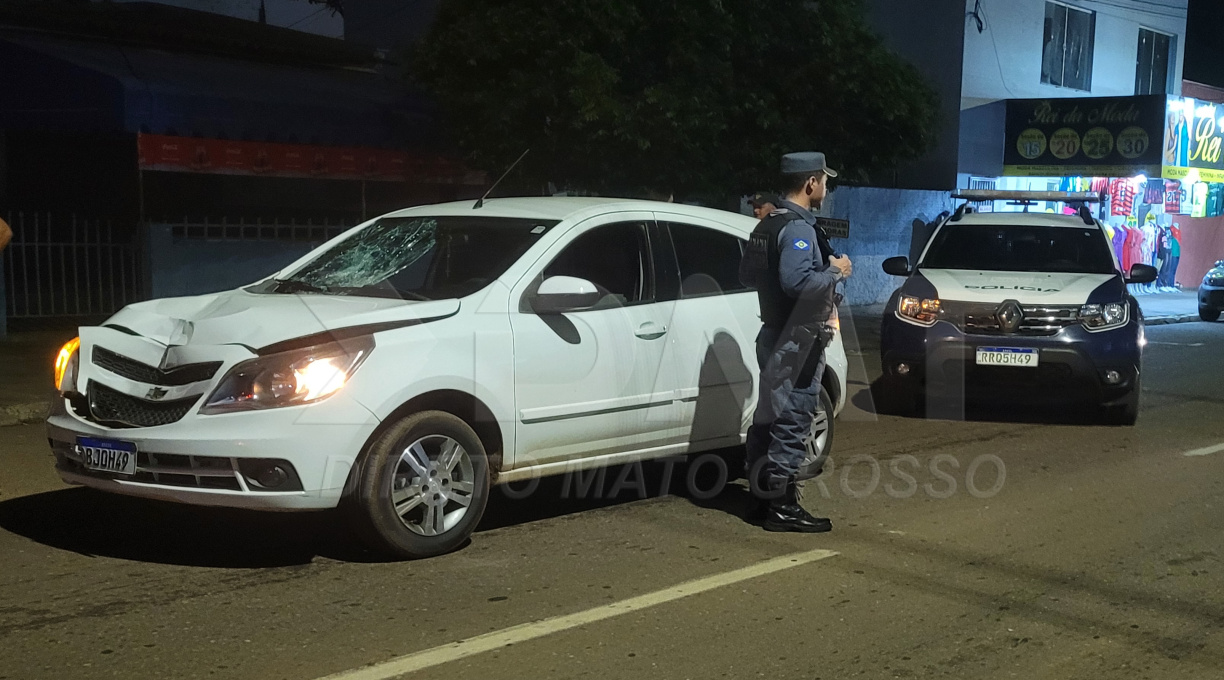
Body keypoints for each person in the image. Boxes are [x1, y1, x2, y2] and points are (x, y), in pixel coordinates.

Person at [739, 152, 852, 533]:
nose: (825, 188)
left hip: (772, 332)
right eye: (824, 181)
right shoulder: (799, 230)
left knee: (768, 416)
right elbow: (798, 282)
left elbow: (747, 274)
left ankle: (760, 498)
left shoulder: (768, 224)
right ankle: (782, 505)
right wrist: (834, 272)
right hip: (796, 336)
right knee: (794, 418)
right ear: (810, 184)